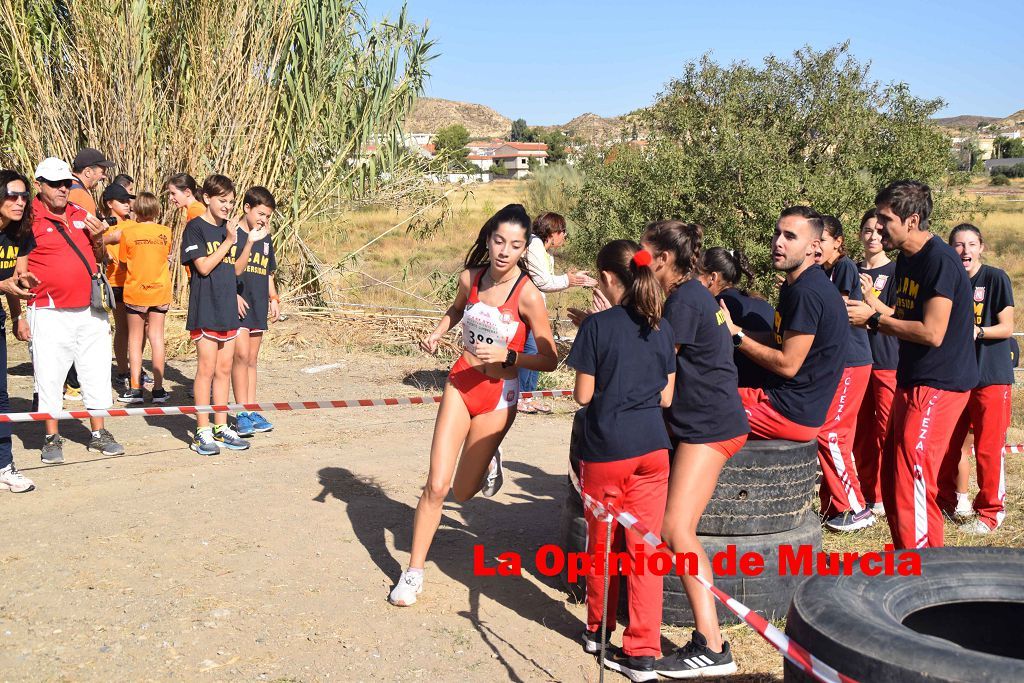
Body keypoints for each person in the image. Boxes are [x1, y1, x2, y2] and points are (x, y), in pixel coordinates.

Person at [388, 204, 557, 607]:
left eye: (515, 245)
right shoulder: (471, 278)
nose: (504, 251)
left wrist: (510, 357)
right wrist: (437, 331)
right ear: (488, 239)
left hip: (499, 398)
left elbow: (550, 358)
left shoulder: (528, 295)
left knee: (463, 493)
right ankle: (413, 572)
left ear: (523, 250)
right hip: (461, 383)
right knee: (436, 485)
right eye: (499, 241)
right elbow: (457, 308)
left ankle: (488, 458)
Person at [847, 180, 978, 549]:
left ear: (912, 220)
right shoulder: (907, 258)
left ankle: (923, 575)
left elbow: (932, 332)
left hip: (940, 383)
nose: (878, 226)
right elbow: (901, 315)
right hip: (912, 378)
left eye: (885, 219)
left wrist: (872, 321)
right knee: (893, 479)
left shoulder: (940, 261)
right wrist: (871, 306)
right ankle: (907, 564)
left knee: (913, 476)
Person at [567, 239, 675, 681]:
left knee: (602, 546)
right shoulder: (661, 325)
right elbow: (667, 396)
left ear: (610, 279)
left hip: (607, 449)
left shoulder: (597, 327)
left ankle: (598, 629)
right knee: (646, 550)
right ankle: (643, 651)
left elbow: (582, 395)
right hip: (653, 449)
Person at [641, 222, 745, 678]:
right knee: (675, 528)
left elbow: (661, 377)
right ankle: (710, 641)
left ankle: (713, 644)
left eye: (645, 256)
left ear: (664, 259)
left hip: (710, 426)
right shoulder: (691, 297)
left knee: (676, 529)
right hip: (705, 422)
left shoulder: (685, 301)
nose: (640, 263)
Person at [21, 157, 124, 463]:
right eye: (54, 184)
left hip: (90, 308)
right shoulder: (28, 219)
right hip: (48, 308)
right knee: (49, 375)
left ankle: (99, 433)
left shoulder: (82, 213)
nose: (62, 189)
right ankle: (51, 436)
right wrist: (20, 312)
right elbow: (20, 267)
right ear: (39, 185)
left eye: (66, 183)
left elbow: (101, 257)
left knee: (95, 370)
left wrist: (98, 239)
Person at [719, 207, 847, 445]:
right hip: (778, 401)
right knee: (698, 394)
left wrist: (736, 336)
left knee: (693, 415)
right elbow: (777, 339)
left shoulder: (807, 292)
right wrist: (731, 330)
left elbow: (788, 365)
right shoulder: (795, 285)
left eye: (790, 236)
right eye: (777, 233)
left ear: (814, 246)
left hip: (788, 413)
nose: (778, 242)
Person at [937, 224, 1014, 534]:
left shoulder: (995, 278)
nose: (965, 251)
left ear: (981, 246)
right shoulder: (948, 282)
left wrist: (978, 331)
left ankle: (991, 513)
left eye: (970, 244)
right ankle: (943, 502)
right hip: (955, 379)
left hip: (990, 377)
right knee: (947, 446)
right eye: (958, 245)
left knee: (987, 448)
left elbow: (1007, 328)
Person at [180, 175, 253, 455]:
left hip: (227, 307)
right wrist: (229, 241)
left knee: (224, 369)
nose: (227, 206)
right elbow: (204, 267)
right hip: (205, 307)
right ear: (207, 198)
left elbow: (233, 270)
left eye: (231, 202)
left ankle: (221, 426)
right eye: (222, 201)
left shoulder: (230, 230)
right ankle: (202, 430)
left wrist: (244, 242)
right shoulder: (195, 228)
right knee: (207, 369)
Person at [812, 215, 874, 532]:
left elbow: (844, 308)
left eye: (821, 240)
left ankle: (856, 508)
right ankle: (835, 506)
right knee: (835, 436)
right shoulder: (823, 272)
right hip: (837, 361)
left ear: (837, 242)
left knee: (830, 433)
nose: (816, 246)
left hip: (852, 359)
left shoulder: (846, 267)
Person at [518, 212, 595, 414]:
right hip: (527, 308)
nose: (564, 236)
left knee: (536, 350)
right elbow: (543, 281)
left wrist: (570, 279)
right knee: (533, 351)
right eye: (563, 232)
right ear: (552, 232)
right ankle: (522, 396)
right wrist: (570, 280)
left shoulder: (544, 250)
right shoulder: (534, 245)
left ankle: (528, 396)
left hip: (535, 308)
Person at [854, 208, 899, 516]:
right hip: (856, 359)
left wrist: (870, 298)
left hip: (886, 359)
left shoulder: (896, 271)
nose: (873, 237)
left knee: (885, 431)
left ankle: (888, 494)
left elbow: (898, 315)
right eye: (868, 230)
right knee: (859, 432)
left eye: (880, 232)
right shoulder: (849, 268)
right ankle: (868, 493)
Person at [62, 148, 114, 401]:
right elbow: (89, 238)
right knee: (83, 331)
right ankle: (74, 384)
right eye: (101, 171)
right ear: (87, 171)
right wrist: (103, 249)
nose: (103, 176)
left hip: (63, 272)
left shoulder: (65, 190)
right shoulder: (82, 195)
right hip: (80, 272)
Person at [0, 170, 40, 492]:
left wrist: (18, 315)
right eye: (12, 195)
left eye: (24, 196)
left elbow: (16, 278)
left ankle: (3, 466)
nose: (20, 201)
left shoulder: (20, 234)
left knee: (1, 396)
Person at [231, 187, 280, 436]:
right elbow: (226, 271)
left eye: (268, 216)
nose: (264, 220)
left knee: (251, 359)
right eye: (261, 213)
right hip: (238, 304)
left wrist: (273, 297)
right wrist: (233, 295)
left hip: (258, 303)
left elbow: (268, 271)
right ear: (247, 208)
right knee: (239, 357)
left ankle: (251, 409)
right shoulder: (233, 234)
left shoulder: (266, 237)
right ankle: (240, 413)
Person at [116, 192, 171, 404]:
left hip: (136, 291)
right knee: (157, 338)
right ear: (157, 210)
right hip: (160, 291)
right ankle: (158, 389)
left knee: (135, 338)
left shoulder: (128, 233)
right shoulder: (166, 232)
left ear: (136, 210)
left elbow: (122, 262)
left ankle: (136, 388)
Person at [698, 247, 775, 389]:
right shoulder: (761, 302)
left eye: (697, 275)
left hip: (738, 390)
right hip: (767, 389)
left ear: (712, 277)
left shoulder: (715, 306)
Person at [99, 183, 136, 391]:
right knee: (122, 328)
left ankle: (135, 368)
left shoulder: (135, 224)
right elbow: (93, 244)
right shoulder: (104, 226)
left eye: (128, 200)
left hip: (136, 283)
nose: (127, 204)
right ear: (109, 203)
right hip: (116, 283)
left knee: (140, 330)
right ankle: (123, 371)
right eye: (122, 201)